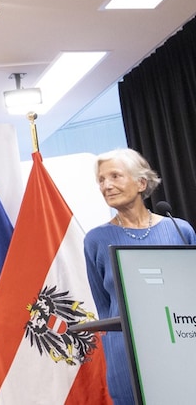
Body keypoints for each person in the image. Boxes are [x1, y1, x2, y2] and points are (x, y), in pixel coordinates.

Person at [84, 148, 196, 405]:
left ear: (141, 183)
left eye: (115, 176)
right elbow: (105, 307)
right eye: (101, 180)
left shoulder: (179, 229)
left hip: (182, 347)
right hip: (126, 355)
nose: (106, 185)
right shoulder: (95, 240)